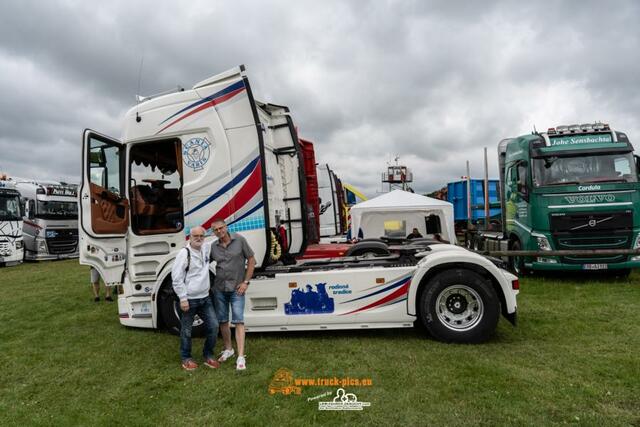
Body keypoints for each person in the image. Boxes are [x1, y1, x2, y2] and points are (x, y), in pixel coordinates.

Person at [171, 226, 220, 371]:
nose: (199, 238)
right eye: (195, 236)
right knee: (186, 331)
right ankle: (186, 358)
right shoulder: (183, 254)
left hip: (205, 298)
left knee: (213, 326)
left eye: (201, 236)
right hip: (189, 300)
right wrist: (183, 298)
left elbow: (219, 235)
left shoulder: (205, 248)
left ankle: (208, 355)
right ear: (189, 238)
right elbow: (176, 278)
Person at [210, 219, 256, 370]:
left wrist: (246, 282)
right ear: (213, 232)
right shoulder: (213, 247)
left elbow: (251, 260)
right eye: (215, 230)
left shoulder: (240, 240)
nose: (219, 231)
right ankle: (229, 349)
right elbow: (202, 263)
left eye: (221, 228)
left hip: (237, 288)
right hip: (219, 289)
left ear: (226, 227)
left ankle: (241, 357)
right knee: (223, 320)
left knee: (238, 321)